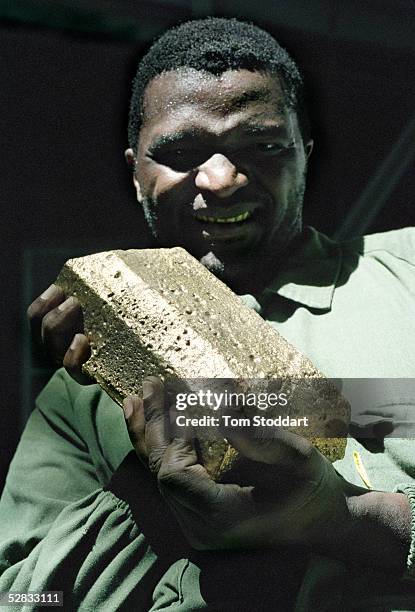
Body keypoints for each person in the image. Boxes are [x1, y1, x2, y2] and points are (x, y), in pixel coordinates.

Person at [1, 17, 415, 611]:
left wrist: (351, 520)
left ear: (305, 155)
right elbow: (22, 599)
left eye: (264, 146)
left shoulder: (406, 274)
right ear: (136, 170)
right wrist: (148, 489)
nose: (220, 180)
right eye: (179, 152)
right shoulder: (83, 390)